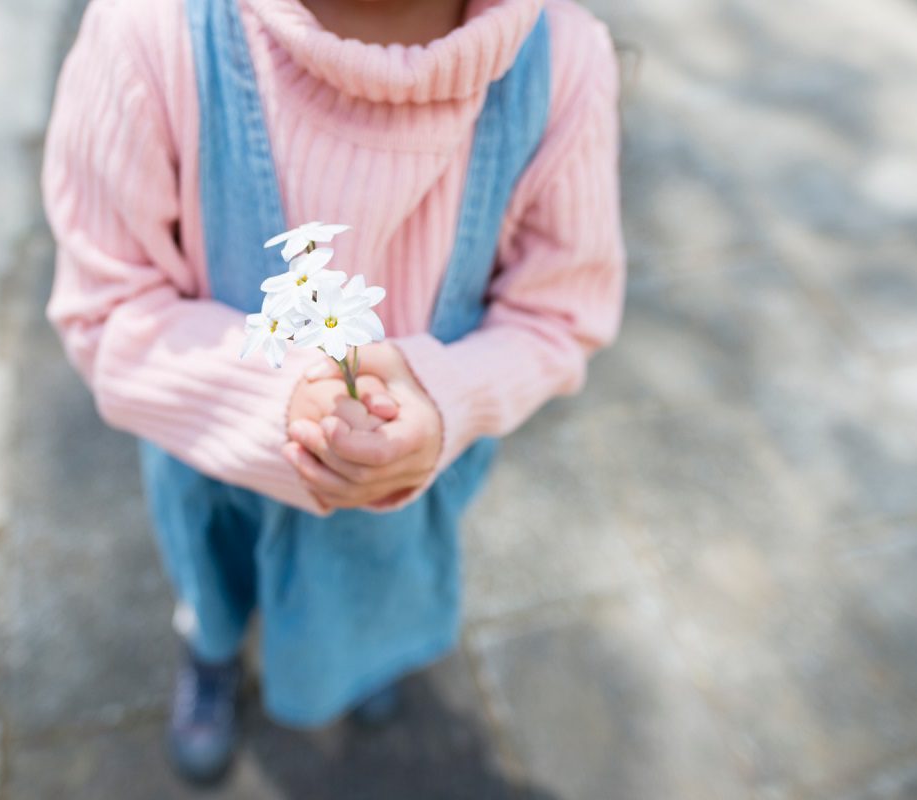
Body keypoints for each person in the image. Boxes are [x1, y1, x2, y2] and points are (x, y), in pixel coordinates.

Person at [43, 0, 624, 783]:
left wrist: (447, 394)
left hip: (409, 492)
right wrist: (279, 402)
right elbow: (107, 308)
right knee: (211, 582)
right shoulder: (148, 34)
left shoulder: (562, 66)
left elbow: (559, 313)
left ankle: (362, 661)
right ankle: (211, 655)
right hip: (212, 459)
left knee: (368, 595)